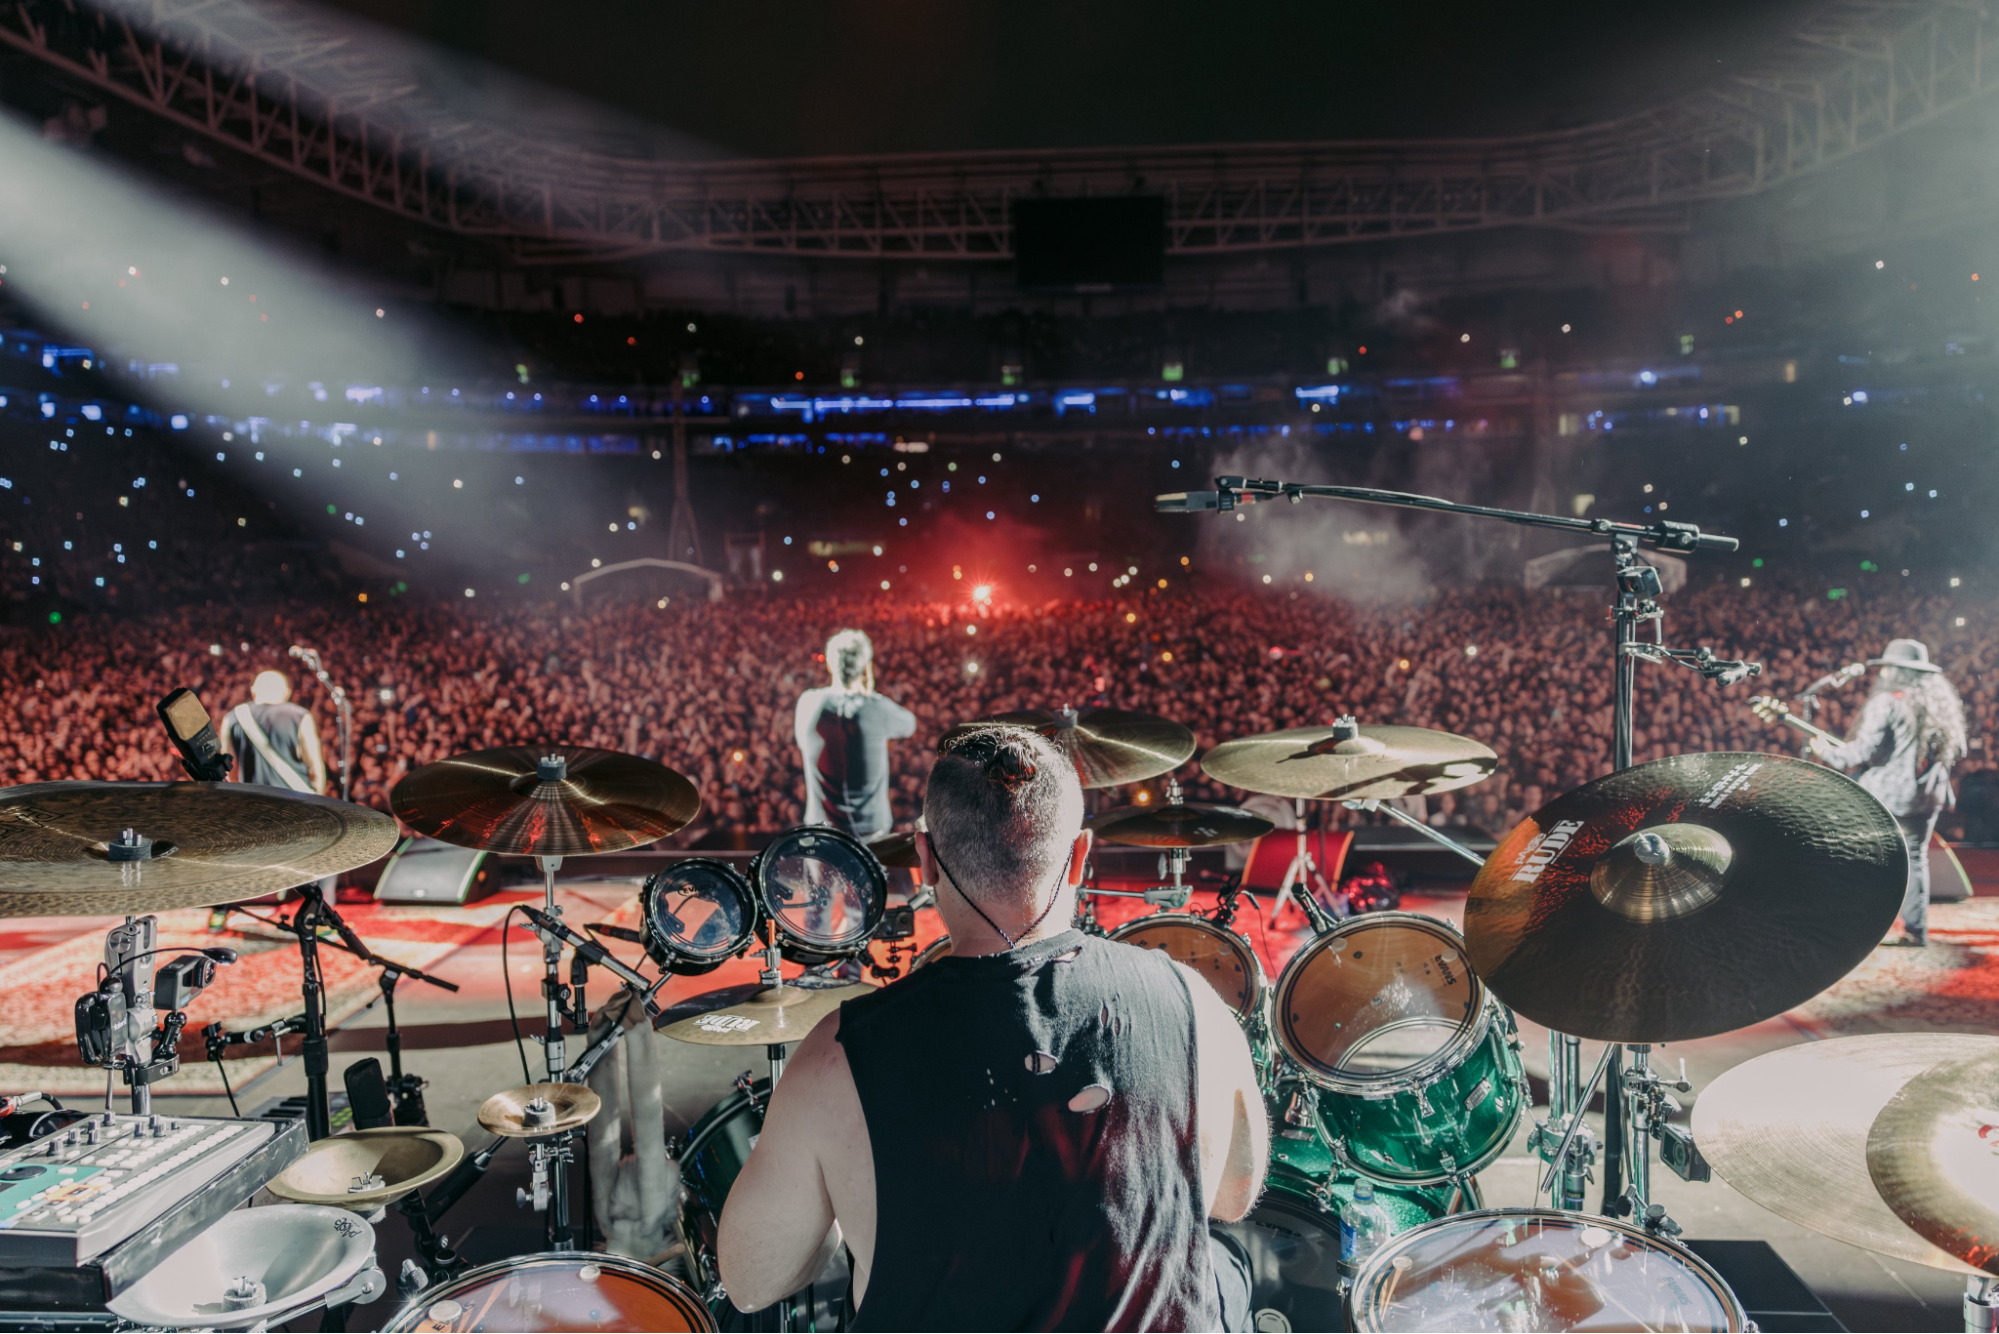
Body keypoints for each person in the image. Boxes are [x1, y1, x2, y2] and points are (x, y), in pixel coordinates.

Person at [718, 726, 1267, 1332]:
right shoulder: (1195, 1002)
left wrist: (841, 1197)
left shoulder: (836, 1055)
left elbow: (752, 1281)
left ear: (926, 859)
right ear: (1080, 856)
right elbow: (1233, 1195)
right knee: (1229, 1268)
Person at [1813, 638, 1968, 947]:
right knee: (1915, 859)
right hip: (1927, 796)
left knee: (1869, 859)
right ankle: (1915, 930)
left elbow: (1861, 753)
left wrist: (1824, 750)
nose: (1882, 674)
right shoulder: (1941, 704)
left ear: (1895, 671)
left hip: (1887, 796)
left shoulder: (1887, 702)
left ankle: (1861, 926)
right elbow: (1959, 750)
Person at [793, 629, 916, 838]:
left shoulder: (808, 703)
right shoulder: (878, 708)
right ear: (866, 667)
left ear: (830, 664)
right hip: (870, 836)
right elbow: (909, 724)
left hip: (822, 835)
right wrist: (870, 693)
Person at [219, 669, 327, 795]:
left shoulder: (233, 717)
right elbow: (315, 767)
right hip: (294, 800)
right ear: (286, 694)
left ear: (253, 692)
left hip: (253, 800)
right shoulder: (300, 716)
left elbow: (229, 769)